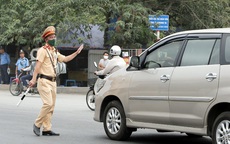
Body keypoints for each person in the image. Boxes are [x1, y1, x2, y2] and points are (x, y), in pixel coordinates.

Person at [29, 26, 84, 136]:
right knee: (48, 104)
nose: (54, 38)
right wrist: (33, 79)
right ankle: (37, 124)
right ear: (46, 39)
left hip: (53, 81)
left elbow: (65, 59)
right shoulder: (42, 51)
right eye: (51, 37)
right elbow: (37, 66)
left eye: (54, 36)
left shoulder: (54, 51)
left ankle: (46, 129)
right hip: (44, 80)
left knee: (52, 106)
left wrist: (77, 52)